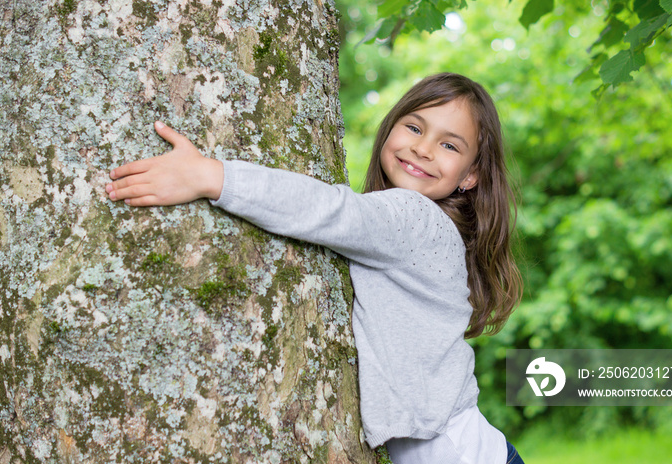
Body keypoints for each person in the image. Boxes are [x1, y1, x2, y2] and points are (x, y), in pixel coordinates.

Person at [106, 72, 524, 464]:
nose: (423, 148)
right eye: (414, 127)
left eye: (449, 145)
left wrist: (213, 177)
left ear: (470, 176)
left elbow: (327, 209)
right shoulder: (422, 226)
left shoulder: (416, 217)